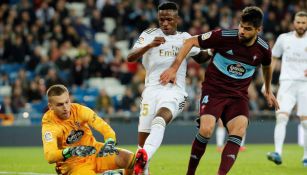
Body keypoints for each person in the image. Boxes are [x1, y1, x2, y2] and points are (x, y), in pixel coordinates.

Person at [160, 6, 279, 175]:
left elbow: (267, 67)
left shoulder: (263, 49)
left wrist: (268, 89)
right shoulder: (223, 36)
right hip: (214, 90)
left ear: (258, 30)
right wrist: (174, 68)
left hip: (238, 96)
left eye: (248, 29)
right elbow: (190, 41)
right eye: (241, 26)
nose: (242, 31)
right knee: (206, 129)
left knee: (240, 128)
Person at [126, 2, 209, 175]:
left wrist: (216, 49)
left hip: (174, 92)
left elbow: (202, 57)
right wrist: (149, 46)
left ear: (177, 19)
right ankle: (144, 163)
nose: (165, 23)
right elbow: (130, 57)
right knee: (142, 144)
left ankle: (143, 157)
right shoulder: (149, 35)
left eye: (169, 19)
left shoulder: (185, 38)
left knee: (161, 118)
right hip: (150, 92)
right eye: (161, 19)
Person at [41, 84, 135, 175]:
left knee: (130, 159)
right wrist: (72, 151)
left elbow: (104, 127)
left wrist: (110, 141)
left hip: (94, 151)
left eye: (67, 102)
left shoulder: (79, 110)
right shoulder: (50, 125)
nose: (65, 108)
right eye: (60, 104)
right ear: (51, 106)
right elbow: (50, 156)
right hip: (73, 164)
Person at [266, 11, 307, 166]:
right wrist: (267, 82)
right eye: (298, 22)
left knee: (305, 123)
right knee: (281, 117)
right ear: (293, 23)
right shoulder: (284, 39)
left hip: (305, 85)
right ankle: (277, 153)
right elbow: (274, 58)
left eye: (304, 23)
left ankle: (306, 157)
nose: (301, 25)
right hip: (287, 83)